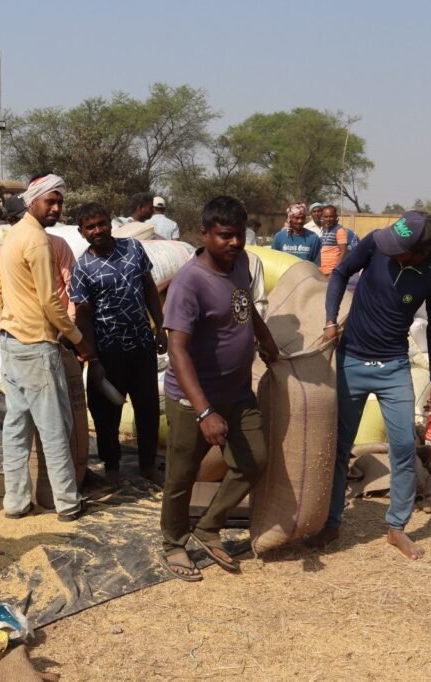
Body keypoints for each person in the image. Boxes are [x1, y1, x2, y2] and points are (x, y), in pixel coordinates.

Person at [310, 210, 431, 560]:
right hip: (351, 361)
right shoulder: (376, 243)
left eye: (400, 247)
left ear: (422, 250)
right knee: (339, 446)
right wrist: (330, 319)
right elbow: (341, 271)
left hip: (394, 369)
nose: (391, 250)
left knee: (403, 447)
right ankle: (331, 521)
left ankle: (396, 528)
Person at [159, 195, 280, 581]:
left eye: (239, 236)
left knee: (254, 460)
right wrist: (204, 411)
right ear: (205, 233)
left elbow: (245, 304)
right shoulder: (188, 283)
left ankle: (209, 526)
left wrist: (264, 337)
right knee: (182, 474)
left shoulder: (242, 262)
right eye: (225, 236)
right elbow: (177, 350)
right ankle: (173, 543)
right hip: (193, 399)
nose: (234, 243)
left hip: (238, 391)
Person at [0, 173, 95, 521]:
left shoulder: (14, 236)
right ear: (33, 200)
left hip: (12, 342)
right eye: (50, 201)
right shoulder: (37, 241)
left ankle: (16, 502)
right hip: (36, 345)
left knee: (17, 428)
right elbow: (51, 302)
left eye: (60, 202)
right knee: (54, 427)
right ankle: (67, 502)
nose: (56, 207)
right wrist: (79, 340)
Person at [70, 202, 166, 486]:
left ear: (111, 223)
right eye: (90, 227)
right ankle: (111, 467)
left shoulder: (133, 249)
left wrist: (160, 327)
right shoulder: (82, 268)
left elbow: (148, 287)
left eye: (101, 223)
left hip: (140, 344)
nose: (97, 230)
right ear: (81, 232)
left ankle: (148, 465)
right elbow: (83, 316)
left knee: (147, 406)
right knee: (104, 412)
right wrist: (93, 358)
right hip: (107, 350)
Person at [0, 196, 77, 326]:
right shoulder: (1, 255)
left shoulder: (58, 245)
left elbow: (73, 287)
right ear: (12, 221)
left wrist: (69, 325)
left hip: (60, 328)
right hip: (24, 333)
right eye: (25, 219)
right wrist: (6, 328)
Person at [317, 205, 350, 277]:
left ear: (335, 217)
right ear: (322, 217)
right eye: (326, 217)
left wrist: (335, 270)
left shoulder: (339, 230)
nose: (328, 219)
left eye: (331, 216)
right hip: (323, 271)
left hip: (333, 272)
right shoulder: (324, 230)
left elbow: (344, 252)